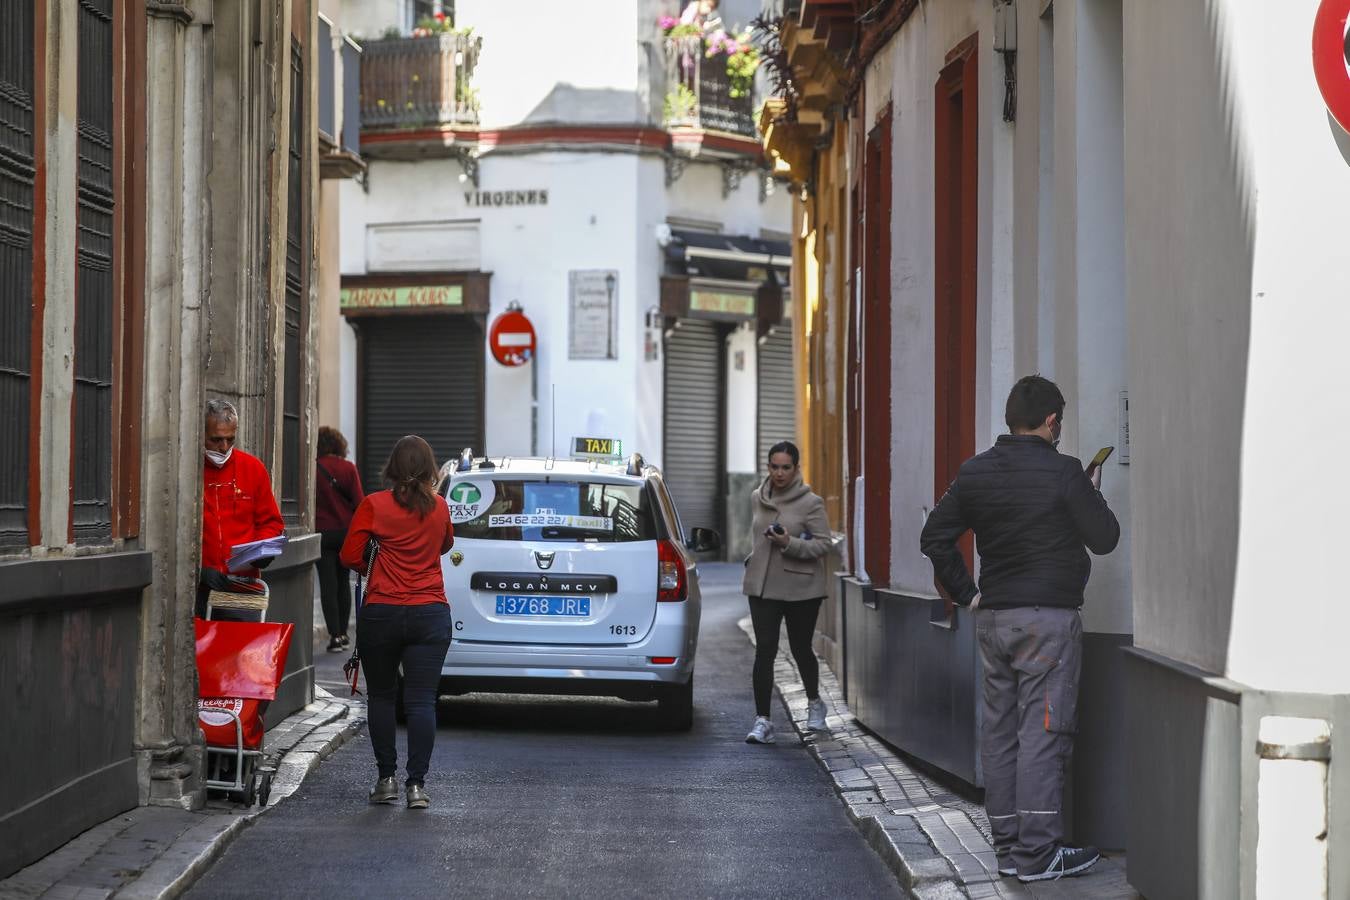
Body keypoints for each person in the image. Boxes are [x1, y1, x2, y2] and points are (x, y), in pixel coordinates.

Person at [920, 375, 1119, 884]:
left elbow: (935, 537)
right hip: (1047, 623)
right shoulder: (1066, 472)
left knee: (1002, 733)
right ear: (1052, 421)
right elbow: (1105, 538)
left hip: (993, 621)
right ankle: (1038, 855)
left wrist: (968, 594)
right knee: (1043, 734)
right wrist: (1090, 495)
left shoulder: (975, 473)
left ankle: (1008, 848)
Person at [341, 435, 454, 810]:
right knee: (422, 701)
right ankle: (417, 786)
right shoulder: (439, 507)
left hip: (383, 612)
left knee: (383, 697)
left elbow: (349, 555)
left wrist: (377, 565)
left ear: (392, 467)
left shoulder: (374, 505)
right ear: (430, 469)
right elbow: (446, 545)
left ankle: (385, 779)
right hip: (430, 613)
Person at [741, 441, 834, 745]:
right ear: (767, 467)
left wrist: (789, 543)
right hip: (763, 587)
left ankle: (815, 703)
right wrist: (752, 558)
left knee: (800, 648)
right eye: (774, 466)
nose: (779, 473)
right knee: (764, 650)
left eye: (785, 467)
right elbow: (755, 536)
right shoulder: (757, 497)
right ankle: (763, 721)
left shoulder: (812, 503)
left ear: (796, 468)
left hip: (801, 588)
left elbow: (823, 545)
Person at [199, 399, 284, 618]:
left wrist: (262, 552)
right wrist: (196, 569)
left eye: (230, 439)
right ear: (201, 434)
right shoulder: (190, 470)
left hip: (243, 585)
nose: (224, 447)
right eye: (216, 440)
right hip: (199, 587)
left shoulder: (253, 468)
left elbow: (271, 522)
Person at [315, 426, 365, 652]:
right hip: (345, 533)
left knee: (327, 585)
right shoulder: (348, 468)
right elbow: (359, 502)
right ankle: (344, 633)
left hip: (322, 533)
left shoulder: (314, 468)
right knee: (343, 582)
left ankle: (334, 635)